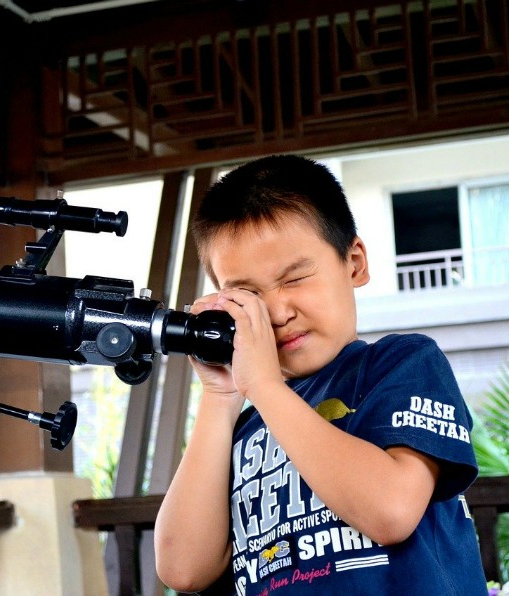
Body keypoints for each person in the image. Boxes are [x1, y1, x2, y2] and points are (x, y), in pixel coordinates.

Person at [153, 154, 487, 595]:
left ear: (354, 263)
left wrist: (266, 387)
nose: (277, 312)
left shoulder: (402, 365)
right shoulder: (242, 428)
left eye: (294, 279)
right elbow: (182, 569)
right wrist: (220, 397)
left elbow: (391, 510)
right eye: (248, 295)